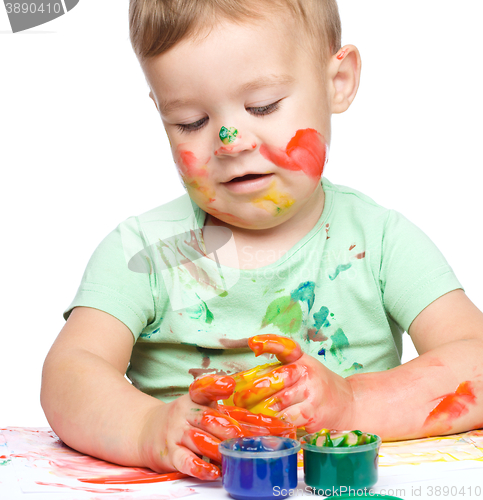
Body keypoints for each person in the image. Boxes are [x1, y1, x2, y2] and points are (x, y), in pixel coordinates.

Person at [40, 0, 483, 481]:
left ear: (338, 81)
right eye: (190, 120)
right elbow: (67, 375)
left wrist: (356, 403)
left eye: (263, 106)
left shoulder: (379, 241)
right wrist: (147, 427)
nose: (230, 140)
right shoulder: (143, 251)